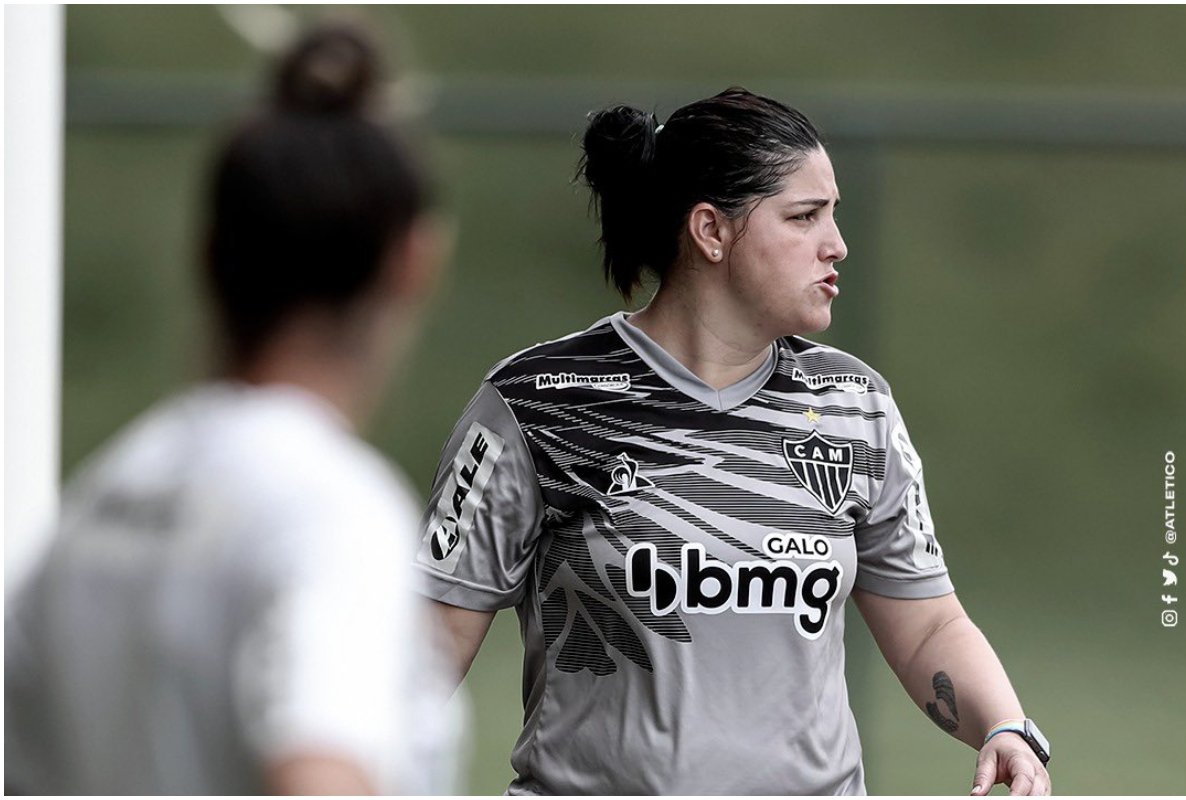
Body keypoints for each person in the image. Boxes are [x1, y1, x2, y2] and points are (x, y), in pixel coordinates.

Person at [414, 88, 1052, 795]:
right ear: (711, 232)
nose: (836, 244)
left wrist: (1004, 726)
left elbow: (929, 624)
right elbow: (429, 648)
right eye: (804, 217)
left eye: (832, 214)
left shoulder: (854, 408)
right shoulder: (540, 404)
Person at [5, 23, 461, 795]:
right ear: (412, 260)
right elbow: (320, 773)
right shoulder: (329, 513)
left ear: (210, 251)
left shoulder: (93, 507)